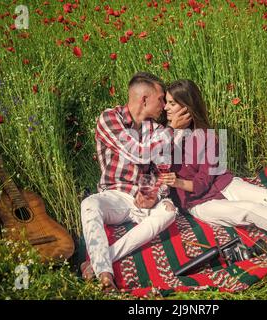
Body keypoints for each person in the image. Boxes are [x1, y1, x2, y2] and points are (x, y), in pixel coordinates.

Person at [160, 79, 267, 236]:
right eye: (166, 102)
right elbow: (159, 161)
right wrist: (174, 131)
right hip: (199, 203)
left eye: (172, 103)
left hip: (222, 183)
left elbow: (204, 181)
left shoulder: (208, 136)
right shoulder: (162, 137)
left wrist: (178, 181)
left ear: (187, 107)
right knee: (249, 209)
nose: (166, 107)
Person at [80, 72, 191, 290]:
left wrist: (155, 196)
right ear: (144, 99)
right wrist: (172, 131)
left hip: (143, 201)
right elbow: (136, 153)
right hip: (115, 196)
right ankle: (105, 275)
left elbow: (163, 172)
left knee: (168, 210)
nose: (164, 106)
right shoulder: (109, 118)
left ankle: (101, 258)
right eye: (161, 99)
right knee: (89, 204)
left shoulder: (157, 130)